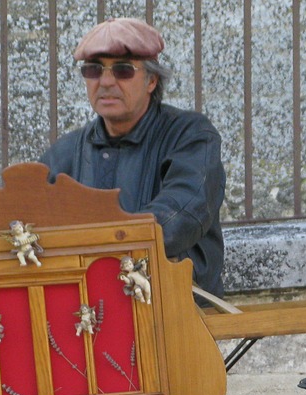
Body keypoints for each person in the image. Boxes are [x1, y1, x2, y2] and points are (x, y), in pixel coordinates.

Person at [40, 17, 226, 296]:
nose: (105, 82)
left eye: (123, 70)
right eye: (93, 69)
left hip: (175, 307)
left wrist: (102, 246)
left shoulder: (190, 135)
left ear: (152, 80)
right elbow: (22, 214)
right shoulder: (66, 151)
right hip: (89, 311)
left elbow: (180, 214)